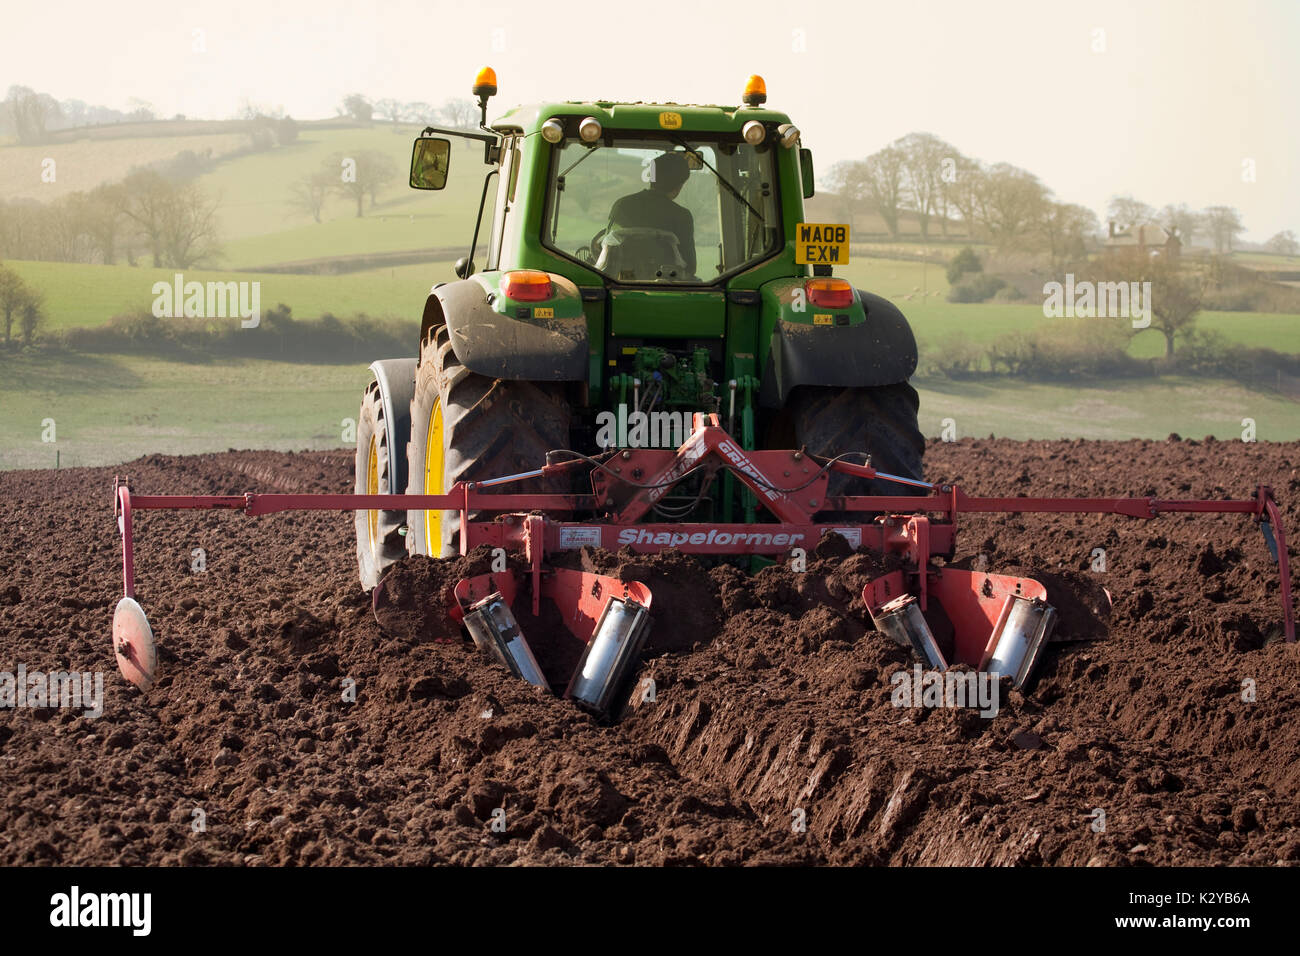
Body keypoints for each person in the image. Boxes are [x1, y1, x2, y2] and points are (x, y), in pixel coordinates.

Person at [606, 151, 695, 277]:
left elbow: (608, 249)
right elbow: (690, 267)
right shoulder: (682, 216)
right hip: (669, 288)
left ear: (651, 178)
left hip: (622, 284)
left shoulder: (621, 205)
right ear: (679, 185)